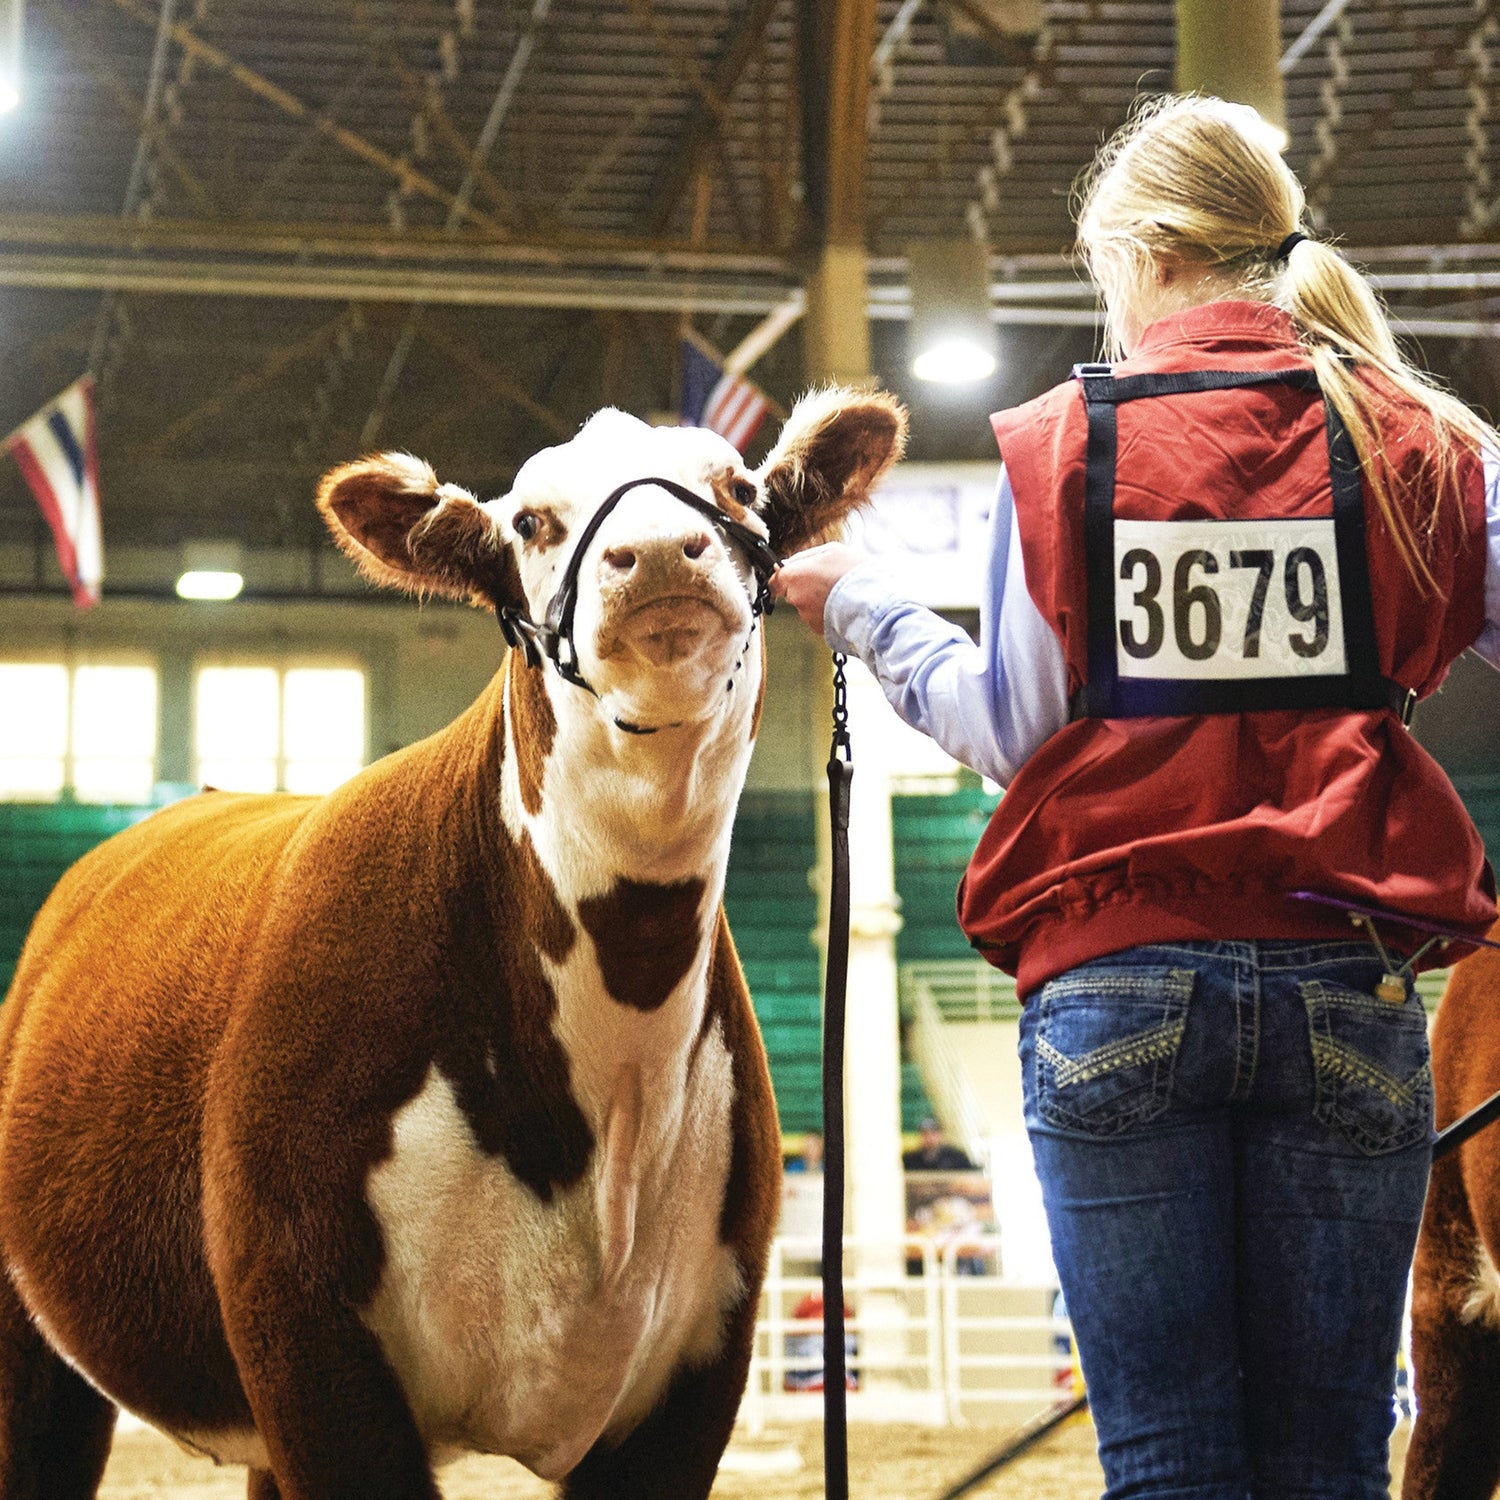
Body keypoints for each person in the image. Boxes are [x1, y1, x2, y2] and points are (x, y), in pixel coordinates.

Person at [772, 94, 1500, 1500]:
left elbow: (1013, 729)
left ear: (1150, 252)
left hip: (1117, 984)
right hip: (1347, 981)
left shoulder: (1067, 443)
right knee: (1333, 1465)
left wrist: (865, 606)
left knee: (1167, 1463)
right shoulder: (1412, 438)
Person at [902, 1117, 977, 1171]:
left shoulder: (956, 1157)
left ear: (940, 1135)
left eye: (933, 1133)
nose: (929, 1138)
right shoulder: (910, 1159)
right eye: (925, 1134)